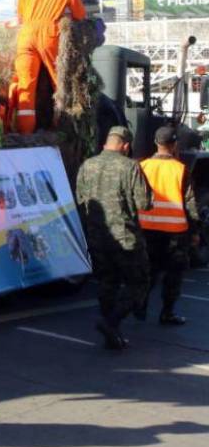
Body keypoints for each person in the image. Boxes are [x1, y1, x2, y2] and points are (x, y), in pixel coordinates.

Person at [75, 126, 152, 350]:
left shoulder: (87, 165)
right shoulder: (130, 167)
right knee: (139, 282)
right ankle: (112, 322)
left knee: (107, 281)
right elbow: (144, 203)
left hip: (97, 236)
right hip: (125, 237)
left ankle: (111, 331)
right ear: (125, 146)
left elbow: (81, 200)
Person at [10, 0, 86, 133]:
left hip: (26, 35)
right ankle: (61, 128)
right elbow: (80, 15)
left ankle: (25, 133)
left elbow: (19, 17)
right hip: (50, 35)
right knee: (58, 83)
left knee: (26, 87)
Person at [137, 125, 199, 325]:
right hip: (175, 232)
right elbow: (189, 202)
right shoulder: (180, 169)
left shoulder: (143, 166)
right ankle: (167, 312)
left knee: (149, 271)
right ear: (174, 145)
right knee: (173, 275)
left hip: (146, 229)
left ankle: (141, 306)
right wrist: (195, 231)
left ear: (156, 143)